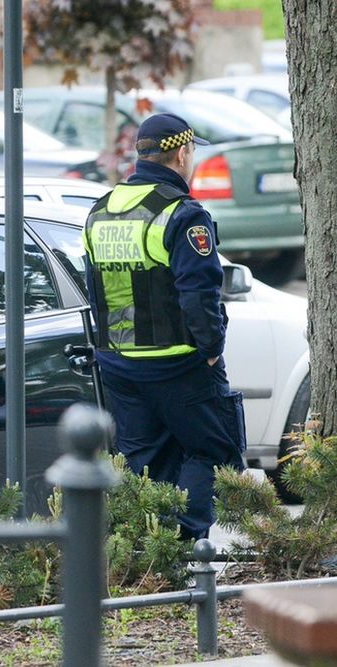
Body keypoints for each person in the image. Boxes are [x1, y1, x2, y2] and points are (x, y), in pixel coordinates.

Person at [82, 112, 246, 540]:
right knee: (215, 453)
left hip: (119, 365)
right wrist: (211, 347)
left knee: (146, 463)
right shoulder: (182, 214)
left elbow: (95, 289)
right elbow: (199, 292)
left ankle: (153, 553)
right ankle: (188, 546)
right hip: (179, 364)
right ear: (182, 154)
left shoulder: (100, 211)